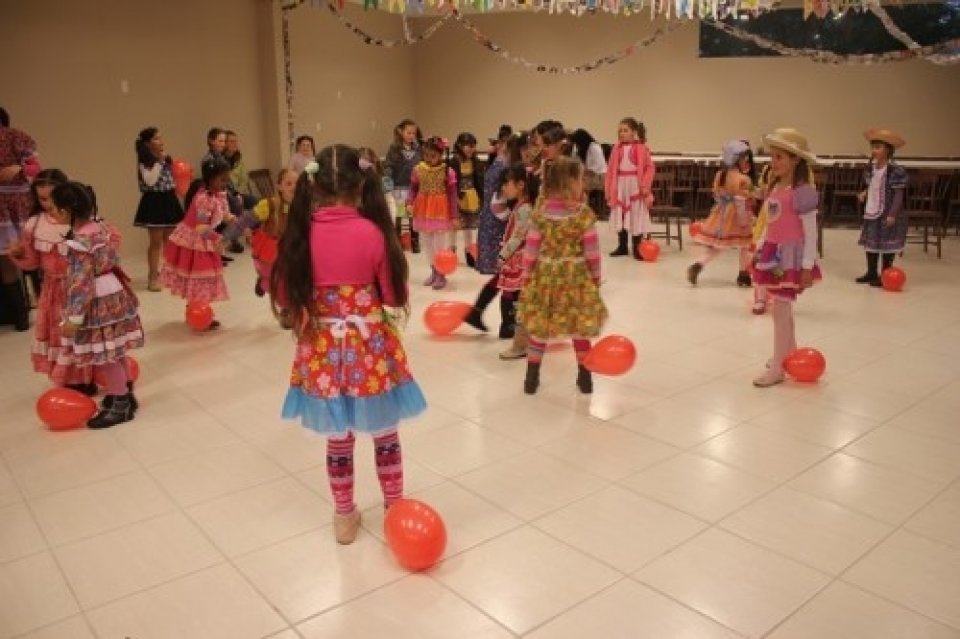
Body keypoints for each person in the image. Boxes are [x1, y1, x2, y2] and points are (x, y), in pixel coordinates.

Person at [270, 144, 426, 545]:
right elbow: (392, 298)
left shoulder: (300, 235)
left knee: (338, 438)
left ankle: (343, 516)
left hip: (322, 351)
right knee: (385, 432)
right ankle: (394, 507)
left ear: (314, 186)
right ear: (362, 187)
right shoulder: (373, 233)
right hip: (370, 349)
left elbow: (286, 297)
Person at [54, 182, 143, 428]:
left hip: (96, 297)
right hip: (113, 289)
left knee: (105, 357)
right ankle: (124, 394)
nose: (53, 213)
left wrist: (74, 317)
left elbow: (81, 282)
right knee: (117, 350)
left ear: (65, 211)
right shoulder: (102, 228)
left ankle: (121, 405)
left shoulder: (80, 240)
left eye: (55, 208)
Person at [517, 156, 607, 395]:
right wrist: (595, 278)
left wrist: (527, 275)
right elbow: (592, 252)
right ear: (569, 183)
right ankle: (585, 378)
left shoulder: (540, 213)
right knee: (579, 329)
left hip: (545, 277)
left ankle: (531, 378)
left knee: (540, 328)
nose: (582, 184)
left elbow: (531, 248)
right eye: (579, 179)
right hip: (575, 278)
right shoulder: (582, 215)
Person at [8, 169, 97, 393]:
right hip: (52, 290)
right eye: (42, 198)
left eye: (52, 197)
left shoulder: (80, 223)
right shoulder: (34, 224)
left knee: (83, 331)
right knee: (61, 335)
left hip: (79, 288)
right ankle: (69, 378)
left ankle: (88, 376)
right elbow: (32, 263)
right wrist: (18, 255)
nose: (48, 204)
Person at [751, 128, 822, 388]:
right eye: (772, 156)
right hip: (773, 252)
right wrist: (760, 247)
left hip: (791, 258)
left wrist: (806, 267)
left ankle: (778, 368)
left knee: (780, 310)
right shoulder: (775, 186)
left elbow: (810, 234)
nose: (774, 162)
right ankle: (788, 355)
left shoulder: (802, 191)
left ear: (795, 160)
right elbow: (770, 222)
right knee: (782, 310)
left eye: (780, 157)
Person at [161, 157, 235, 328]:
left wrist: (234, 220)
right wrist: (219, 239)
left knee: (205, 278)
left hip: (205, 238)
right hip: (195, 241)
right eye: (222, 179)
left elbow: (223, 214)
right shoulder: (203, 198)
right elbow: (201, 227)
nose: (226, 183)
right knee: (200, 278)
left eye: (227, 178)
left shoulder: (218, 195)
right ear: (210, 178)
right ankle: (198, 312)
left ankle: (201, 311)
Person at [687, 140, 756, 286]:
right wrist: (746, 219)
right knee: (745, 244)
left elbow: (716, 195)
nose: (747, 162)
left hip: (721, 214)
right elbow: (743, 200)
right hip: (738, 216)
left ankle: (698, 264)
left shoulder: (720, 175)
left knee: (717, 246)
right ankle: (743, 274)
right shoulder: (744, 179)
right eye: (745, 159)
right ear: (738, 160)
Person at [0, 106, 42, 331]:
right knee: (6, 259)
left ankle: (40, 307)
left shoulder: (17, 136)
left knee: (31, 253)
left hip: (18, 203)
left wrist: (19, 168)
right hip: (4, 209)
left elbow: (36, 167)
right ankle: (19, 315)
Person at [133, 127, 185, 291]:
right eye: (156, 139)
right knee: (155, 243)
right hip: (154, 202)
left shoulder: (165, 159)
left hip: (169, 199)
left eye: (161, 138)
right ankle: (153, 277)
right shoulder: (146, 162)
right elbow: (150, 181)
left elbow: (172, 178)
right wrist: (159, 162)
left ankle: (169, 273)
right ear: (148, 144)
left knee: (170, 241)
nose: (161, 142)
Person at [856, 128, 909, 286]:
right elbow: (874, 185)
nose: (874, 150)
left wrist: (892, 214)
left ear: (888, 150)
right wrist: (864, 193)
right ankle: (871, 272)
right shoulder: (871, 169)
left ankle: (886, 273)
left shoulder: (895, 170)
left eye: (878, 147)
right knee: (871, 242)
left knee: (886, 242)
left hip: (887, 212)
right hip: (872, 209)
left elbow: (899, 194)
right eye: (873, 147)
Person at [496, 164, 538, 360]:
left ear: (520, 185)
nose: (504, 188)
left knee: (522, 302)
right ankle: (523, 340)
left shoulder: (525, 208)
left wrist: (503, 254)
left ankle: (521, 344)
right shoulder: (521, 206)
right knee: (520, 301)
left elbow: (518, 236)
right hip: (520, 258)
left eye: (507, 184)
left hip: (521, 260)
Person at [407, 136, 458, 290]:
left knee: (438, 245)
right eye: (426, 155)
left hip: (440, 211)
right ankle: (434, 271)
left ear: (441, 155)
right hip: (422, 210)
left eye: (433, 156)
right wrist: (409, 202)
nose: (429, 159)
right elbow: (413, 188)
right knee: (427, 243)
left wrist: (454, 215)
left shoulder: (447, 171)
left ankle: (441, 273)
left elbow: (452, 194)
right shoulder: (418, 169)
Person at [604, 117, 655, 260]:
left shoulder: (642, 148)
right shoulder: (616, 148)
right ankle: (622, 246)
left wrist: (645, 185)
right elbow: (610, 170)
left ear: (634, 132)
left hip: (635, 186)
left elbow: (650, 168)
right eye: (620, 130)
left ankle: (637, 248)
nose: (622, 133)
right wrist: (608, 189)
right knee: (621, 214)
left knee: (635, 215)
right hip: (620, 186)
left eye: (625, 130)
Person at [250, 169, 297, 298]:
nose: (294, 187)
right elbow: (245, 220)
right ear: (279, 187)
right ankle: (263, 282)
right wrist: (225, 237)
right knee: (272, 278)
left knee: (288, 281)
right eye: (289, 183)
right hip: (270, 249)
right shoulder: (269, 204)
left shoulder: (301, 205)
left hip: (289, 248)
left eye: (297, 184)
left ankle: (287, 305)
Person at [384, 119, 422, 253]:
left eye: (414, 133)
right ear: (401, 132)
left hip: (414, 189)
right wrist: (388, 180)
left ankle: (415, 241)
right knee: (400, 215)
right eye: (409, 132)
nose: (411, 136)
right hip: (399, 188)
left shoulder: (418, 148)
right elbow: (388, 166)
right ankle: (398, 242)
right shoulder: (394, 148)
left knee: (413, 216)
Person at [448, 132, 483, 268]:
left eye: (473, 146)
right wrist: (454, 197)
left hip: (472, 197)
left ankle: (469, 253)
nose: (471, 149)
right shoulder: (454, 161)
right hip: (457, 196)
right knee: (454, 227)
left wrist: (481, 197)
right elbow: (450, 182)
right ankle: (451, 253)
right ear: (460, 146)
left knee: (469, 226)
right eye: (468, 146)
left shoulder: (475, 160)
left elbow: (478, 180)